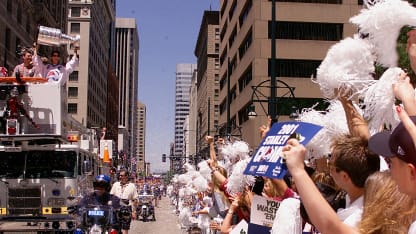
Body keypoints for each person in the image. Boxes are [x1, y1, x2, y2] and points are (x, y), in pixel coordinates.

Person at [110, 169, 138, 234]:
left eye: (122, 175)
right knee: (114, 228)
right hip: (115, 208)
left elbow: (135, 200)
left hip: (126, 209)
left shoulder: (132, 186)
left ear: (127, 176)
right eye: (119, 175)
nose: (120, 177)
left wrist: (134, 211)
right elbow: (111, 196)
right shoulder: (115, 184)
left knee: (125, 229)